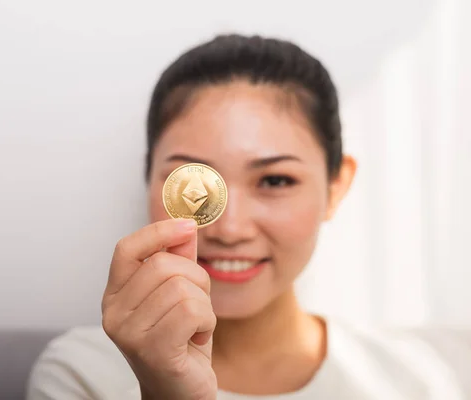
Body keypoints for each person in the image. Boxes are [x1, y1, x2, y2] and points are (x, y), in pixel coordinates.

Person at [26, 34, 470, 399]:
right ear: (149, 180)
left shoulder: (431, 376)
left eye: (275, 181)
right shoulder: (81, 374)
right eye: (192, 179)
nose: (229, 229)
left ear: (337, 186)